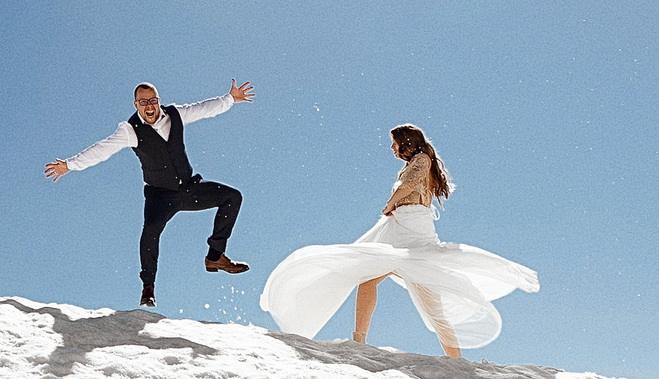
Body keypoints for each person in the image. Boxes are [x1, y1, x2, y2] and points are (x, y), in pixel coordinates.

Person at [259, 124, 537, 357]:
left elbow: (408, 186)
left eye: (394, 143)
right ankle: (359, 340)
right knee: (367, 275)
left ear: (406, 143)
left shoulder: (421, 160)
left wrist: (390, 204)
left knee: (431, 305)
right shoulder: (418, 161)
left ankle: (456, 360)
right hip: (401, 227)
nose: (391, 148)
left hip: (413, 231)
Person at [46, 80, 255, 308]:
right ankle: (148, 287)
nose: (149, 106)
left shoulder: (175, 115)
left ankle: (215, 257)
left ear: (158, 101)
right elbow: (101, 150)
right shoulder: (130, 131)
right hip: (160, 196)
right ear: (136, 104)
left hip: (188, 187)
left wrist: (230, 98)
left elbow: (204, 108)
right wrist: (70, 165)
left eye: (153, 101)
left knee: (232, 197)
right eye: (143, 102)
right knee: (151, 230)